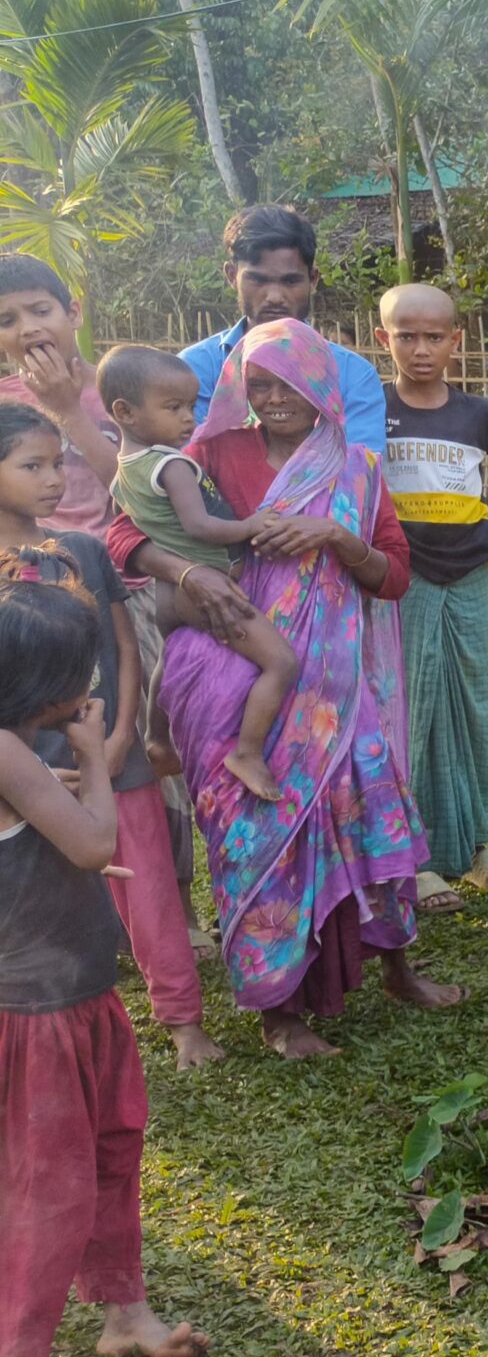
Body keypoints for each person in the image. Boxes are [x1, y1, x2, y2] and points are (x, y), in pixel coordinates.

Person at [106, 320, 462, 1058]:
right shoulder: (208, 454)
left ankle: (398, 966)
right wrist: (189, 571)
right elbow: (122, 533)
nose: (270, 399)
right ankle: (279, 1012)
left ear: (321, 385)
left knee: (370, 807)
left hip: (335, 679)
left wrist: (334, 537)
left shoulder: (357, 469)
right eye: (256, 383)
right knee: (255, 828)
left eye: (285, 383)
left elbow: (393, 574)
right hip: (226, 669)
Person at [0, 581, 210, 1357]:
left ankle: (124, 1309)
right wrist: (91, 754)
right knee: (47, 1188)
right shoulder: (8, 752)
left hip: (83, 995)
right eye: (78, 670)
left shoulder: (20, 752)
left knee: (114, 1150)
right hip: (38, 1010)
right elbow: (94, 841)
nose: (90, 681)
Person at [0, 406, 218, 1069]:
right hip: (28, 775)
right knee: (42, 894)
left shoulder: (86, 549)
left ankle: (183, 1023)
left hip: (112, 757)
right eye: (31, 465)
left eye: (58, 461)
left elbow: (123, 647)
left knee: (148, 887)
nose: (53, 478)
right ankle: (50, 1022)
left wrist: (122, 732)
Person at [375, 283, 488, 912]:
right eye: (406, 335)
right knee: (411, 708)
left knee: (473, 701)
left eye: (435, 336)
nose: (421, 348)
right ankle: (417, 856)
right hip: (402, 579)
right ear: (384, 339)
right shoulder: (372, 408)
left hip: (468, 574)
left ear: (455, 341)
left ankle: (480, 842)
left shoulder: (481, 414)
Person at [99, 345, 299, 803]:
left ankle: (158, 737)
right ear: (125, 412)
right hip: (205, 583)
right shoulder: (172, 465)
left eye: (191, 406)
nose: (189, 419)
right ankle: (247, 752)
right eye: (173, 408)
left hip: (169, 591)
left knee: (168, 659)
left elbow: (135, 524)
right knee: (281, 662)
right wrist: (251, 526)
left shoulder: (123, 473)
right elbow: (199, 525)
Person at [179, 205, 388, 451]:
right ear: (232, 275)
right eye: (258, 279)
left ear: (313, 279)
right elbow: (185, 466)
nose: (275, 296)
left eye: (290, 281)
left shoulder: (352, 376)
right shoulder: (195, 370)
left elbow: (359, 472)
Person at [0, 256, 119, 539]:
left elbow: (141, 494)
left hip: (116, 566)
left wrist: (67, 409)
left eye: (41, 311)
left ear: (74, 313)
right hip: (26, 565)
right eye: (6, 321)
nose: (27, 328)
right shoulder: (4, 402)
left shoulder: (123, 391)